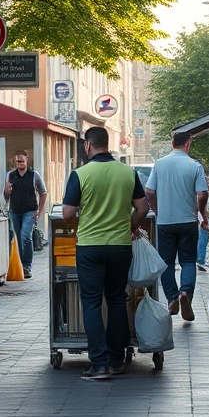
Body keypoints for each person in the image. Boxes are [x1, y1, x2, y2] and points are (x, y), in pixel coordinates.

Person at [61, 127, 148, 380]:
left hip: (90, 246)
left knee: (91, 302)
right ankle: (117, 360)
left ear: (88, 145)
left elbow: (67, 214)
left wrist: (81, 226)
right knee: (117, 300)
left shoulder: (80, 174)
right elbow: (143, 207)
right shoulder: (128, 173)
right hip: (120, 246)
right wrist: (129, 226)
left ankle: (98, 364)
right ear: (106, 144)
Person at [145, 130, 208, 322]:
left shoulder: (160, 164)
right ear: (188, 144)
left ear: (172, 143)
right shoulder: (194, 166)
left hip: (165, 222)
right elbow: (203, 193)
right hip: (188, 221)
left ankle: (172, 297)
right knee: (188, 261)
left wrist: (156, 209)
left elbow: (149, 191)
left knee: (167, 262)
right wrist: (202, 213)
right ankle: (185, 294)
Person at [3, 151, 47, 278]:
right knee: (17, 238)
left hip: (30, 210)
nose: (19, 163)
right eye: (17, 161)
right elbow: (6, 196)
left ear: (27, 160)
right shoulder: (10, 175)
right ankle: (19, 265)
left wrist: (40, 210)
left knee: (25, 236)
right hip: (14, 210)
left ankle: (27, 266)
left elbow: (43, 192)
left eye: (22, 161)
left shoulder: (34, 175)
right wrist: (7, 191)